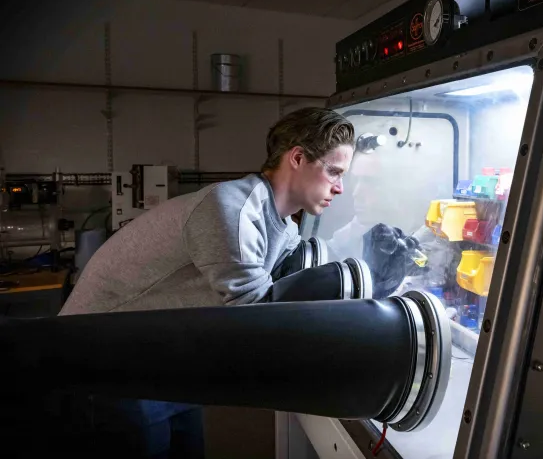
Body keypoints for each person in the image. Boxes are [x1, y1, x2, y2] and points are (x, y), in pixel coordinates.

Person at [59, 107, 355, 458]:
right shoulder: (230, 208)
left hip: (164, 364)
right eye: (334, 171)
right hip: (102, 361)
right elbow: (257, 316)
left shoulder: (284, 226)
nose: (339, 187)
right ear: (298, 157)